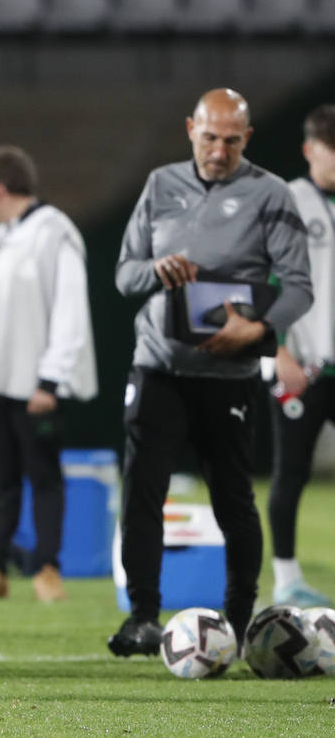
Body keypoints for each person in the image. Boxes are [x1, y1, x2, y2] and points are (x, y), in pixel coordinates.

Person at [111, 88, 312, 656]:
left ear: (246, 138)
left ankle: (241, 620)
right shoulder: (159, 185)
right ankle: (142, 619)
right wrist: (156, 269)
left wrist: (260, 332)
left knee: (233, 498)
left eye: (230, 139)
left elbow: (298, 285)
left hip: (230, 373)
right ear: (189, 130)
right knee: (141, 493)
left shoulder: (271, 194)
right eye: (209, 137)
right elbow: (124, 276)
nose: (218, 150)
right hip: (158, 366)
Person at [0, 145, 97, 604]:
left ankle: (48, 568)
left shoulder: (56, 233)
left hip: (35, 387)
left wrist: (50, 379)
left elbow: (70, 311)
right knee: (2, 481)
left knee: (44, 478)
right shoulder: (1, 237)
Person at [265, 105, 335, 608]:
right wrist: (279, 349)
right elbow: (269, 280)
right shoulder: (291, 200)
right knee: (291, 470)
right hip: (302, 365)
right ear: (311, 149)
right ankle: (286, 579)